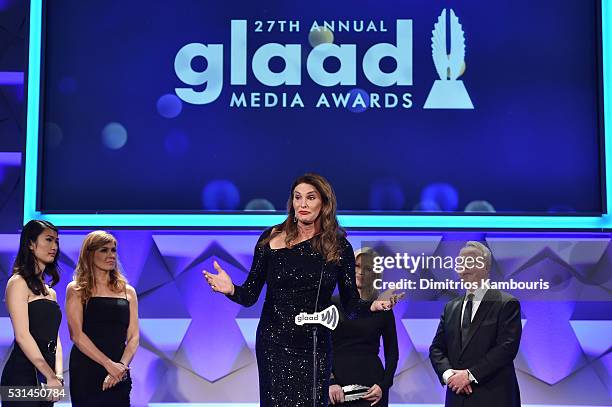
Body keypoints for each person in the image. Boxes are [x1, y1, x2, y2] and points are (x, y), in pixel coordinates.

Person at [203, 173, 401, 407]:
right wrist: (231, 289)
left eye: (310, 197)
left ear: (324, 204)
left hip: (314, 345)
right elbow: (249, 295)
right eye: (297, 197)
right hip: (273, 343)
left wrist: (373, 305)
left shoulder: (338, 247)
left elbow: (350, 304)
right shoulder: (271, 238)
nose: (303, 204)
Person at [429, 241, 522, 407]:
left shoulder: (506, 303)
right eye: (460, 262)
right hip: (457, 397)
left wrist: (469, 375)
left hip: (494, 397)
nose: (463, 267)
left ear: (486, 267)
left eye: (470, 261)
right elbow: (436, 348)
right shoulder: (451, 307)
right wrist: (450, 376)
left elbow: (506, 348)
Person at [66, 231, 139, 407]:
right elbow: (76, 335)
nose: (111, 255)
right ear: (90, 254)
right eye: (104, 250)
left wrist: (119, 367)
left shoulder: (127, 291)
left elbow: (134, 337)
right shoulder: (76, 289)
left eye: (113, 250)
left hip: (119, 370)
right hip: (87, 367)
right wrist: (108, 365)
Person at [1, 220, 64, 406]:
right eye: (48, 240)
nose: (54, 246)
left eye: (57, 241)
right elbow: (22, 335)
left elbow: (56, 339)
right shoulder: (17, 282)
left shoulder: (51, 292)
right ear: (30, 243)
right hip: (21, 375)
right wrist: (49, 375)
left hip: (48, 378)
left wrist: (58, 377)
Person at [329, 247, 399, 406]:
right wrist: (330, 381)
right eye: (357, 266)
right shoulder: (332, 304)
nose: (361, 272)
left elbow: (392, 353)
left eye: (367, 268)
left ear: (375, 274)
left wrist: (383, 385)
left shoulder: (382, 308)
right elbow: (319, 348)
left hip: (372, 389)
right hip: (337, 389)